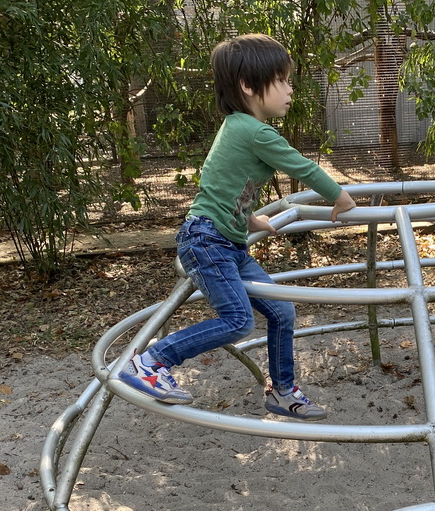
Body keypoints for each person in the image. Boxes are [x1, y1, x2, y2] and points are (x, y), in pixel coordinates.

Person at [118, 34, 356, 420]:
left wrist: (250, 218)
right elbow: (304, 167)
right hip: (208, 240)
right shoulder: (255, 131)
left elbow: (226, 184)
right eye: (282, 80)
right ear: (249, 86)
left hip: (225, 240)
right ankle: (150, 362)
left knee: (281, 311)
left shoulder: (236, 127)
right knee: (238, 320)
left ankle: (282, 391)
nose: (290, 89)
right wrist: (339, 197)